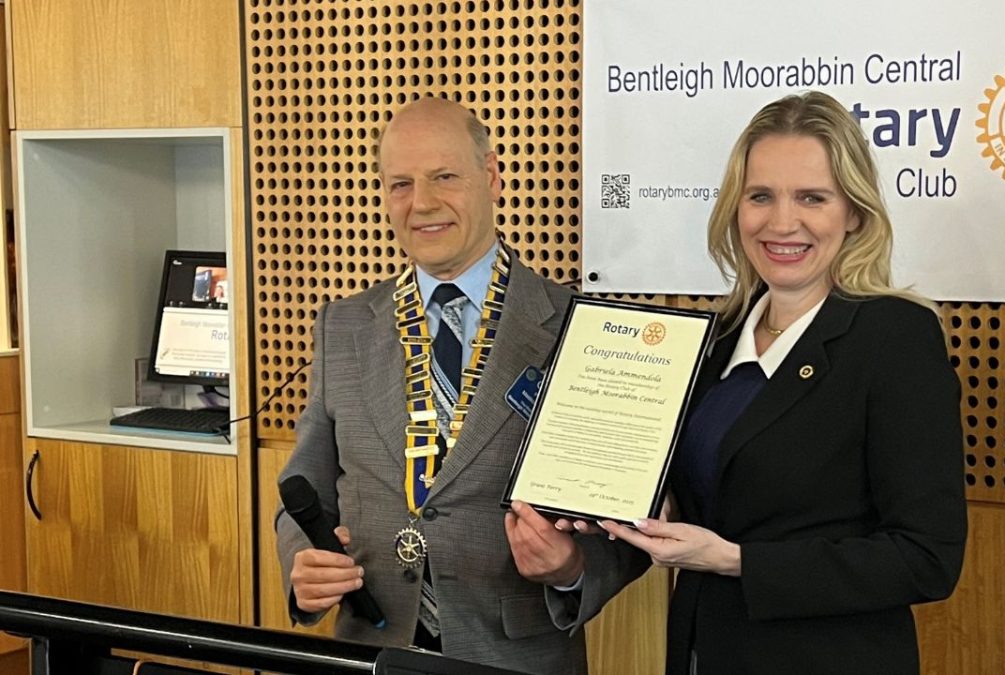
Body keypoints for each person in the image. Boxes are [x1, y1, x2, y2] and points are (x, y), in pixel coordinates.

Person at [275, 97, 645, 674]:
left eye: (445, 177)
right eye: (400, 184)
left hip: (517, 658)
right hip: (370, 650)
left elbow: (624, 521)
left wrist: (574, 567)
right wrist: (305, 561)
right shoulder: (342, 326)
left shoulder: (580, 329)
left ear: (492, 177)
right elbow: (305, 488)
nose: (421, 203)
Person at [601, 91, 968, 674]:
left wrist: (738, 560)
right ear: (735, 208)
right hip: (702, 651)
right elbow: (709, 488)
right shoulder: (715, 339)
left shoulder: (895, 338)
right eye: (761, 197)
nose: (781, 222)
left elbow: (927, 557)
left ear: (854, 212)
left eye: (812, 198)